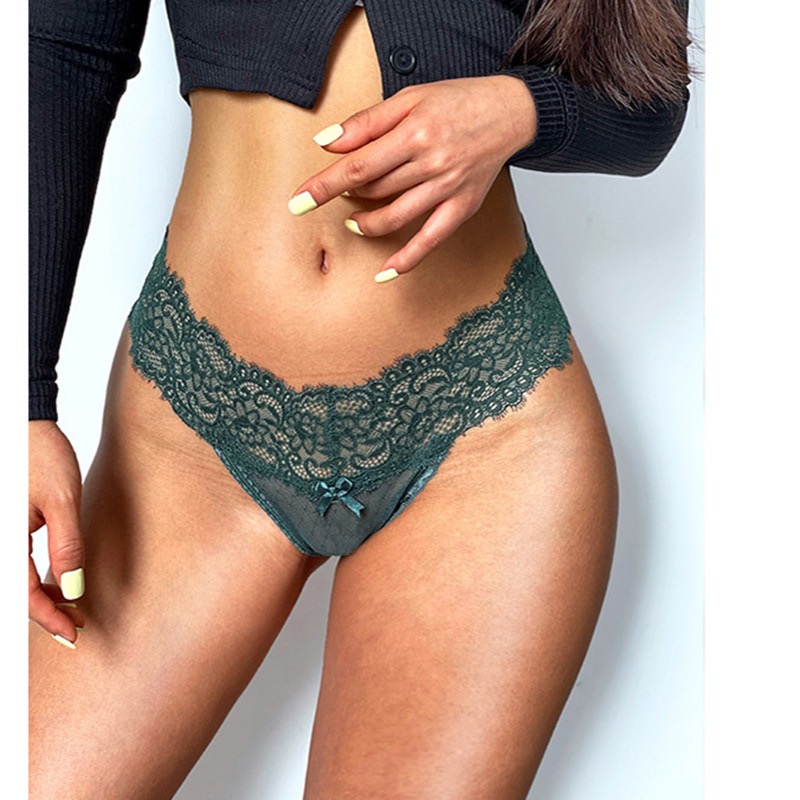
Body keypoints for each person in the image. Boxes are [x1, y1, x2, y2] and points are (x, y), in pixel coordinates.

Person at [29, 0, 694, 796]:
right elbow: (61, 53)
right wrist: (24, 396)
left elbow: (649, 99)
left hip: (486, 433)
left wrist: (519, 109)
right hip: (193, 430)